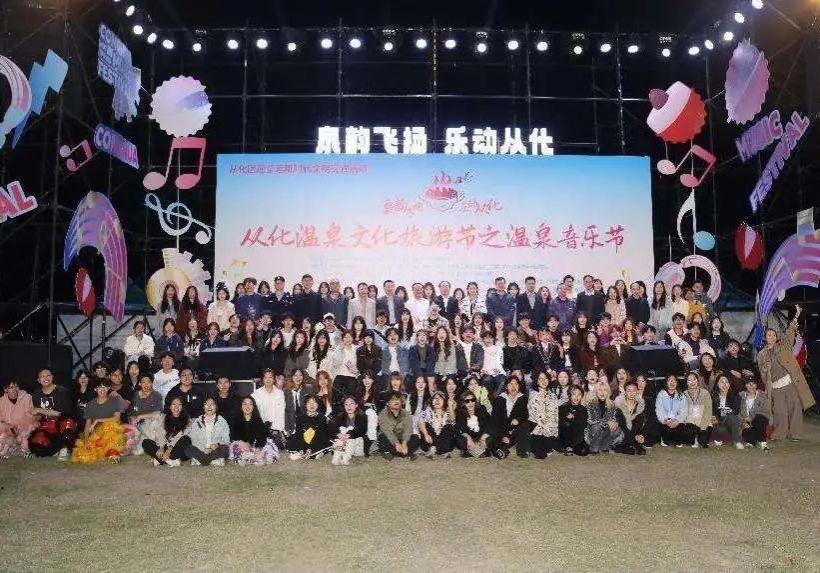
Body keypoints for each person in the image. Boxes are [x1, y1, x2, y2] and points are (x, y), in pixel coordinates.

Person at [756, 307, 815, 440]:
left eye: (773, 335)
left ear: (776, 337)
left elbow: (789, 333)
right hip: (775, 386)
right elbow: (762, 373)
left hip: (789, 383)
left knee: (795, 408)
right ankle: (780, 433)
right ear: (765, 337)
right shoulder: (761, 354)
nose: (771, 337)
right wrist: (765, 374)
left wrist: (796, 316)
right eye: (769, 335)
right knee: (779, 411)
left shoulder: (783, 347)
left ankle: (795, 434)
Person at [71, 379, 132, 463]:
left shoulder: (115, 401)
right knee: (85, 451)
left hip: (113, 432)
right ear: (95, 389)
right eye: (99, 388)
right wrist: (86, 441)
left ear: (108, 388)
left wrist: (97, 420)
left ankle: (113, 454)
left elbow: (116, 418)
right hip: (97, 434)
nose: (102, 390)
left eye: (105, 387)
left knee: (110, 427)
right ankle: (108, 453)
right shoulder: (90, 404)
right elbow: (87, 425)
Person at [29, 369, 76, 460]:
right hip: (46, 426)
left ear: (52, 377)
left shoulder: (62, 391)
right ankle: (55, 450)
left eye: (48, 375)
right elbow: (37, 414)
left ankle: (65, 449)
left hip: (61, 423)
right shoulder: (36, 394)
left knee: (68, 424)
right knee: (37, 442)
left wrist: (39, 410)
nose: (46, 378)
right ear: (38, 380)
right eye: (43, 376)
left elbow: (60, 413)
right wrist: (34, 419)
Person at [142, 397, 191, 466]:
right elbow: (154, 416)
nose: (176, 407)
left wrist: (168, 451)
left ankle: (161, 460)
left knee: (186, 439)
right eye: (174, 404)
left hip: (177, 448)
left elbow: (181, 436)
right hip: (165, 446)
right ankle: (169, 460)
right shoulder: (164, 417)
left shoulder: (187, 420)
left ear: (182, 407)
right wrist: (161, 448)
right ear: (170, 406)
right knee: (146, 442)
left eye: (179, 404)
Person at [229, 396, 278, 465]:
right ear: (240, 406)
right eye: (244, 404)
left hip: (255, 446)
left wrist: (257, 448)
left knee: (269, 446)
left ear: (253, 406)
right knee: (236, 445)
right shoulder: (235, 420)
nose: (247, 407)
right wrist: (247, 445)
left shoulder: (258, 419)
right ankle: (252, 458)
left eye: (250, 404)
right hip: (243, 446)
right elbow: (234, 437)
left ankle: (253, 457)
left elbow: (262, 437)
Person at [185, 397, 230, 466]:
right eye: (207, 404)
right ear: (203, 407)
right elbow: (193, 439)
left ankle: (201, 460)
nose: (209, 406)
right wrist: (203, 449)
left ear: (216, 407)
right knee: (188, 449)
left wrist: (217, 445)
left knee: (225, 449)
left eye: (212, 404)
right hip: (201, 449)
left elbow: (226, 440)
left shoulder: (222, 421)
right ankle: (212, 460)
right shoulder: (197, 421)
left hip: (215, 449)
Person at [491, 376, 529, 459]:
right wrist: (504, 435)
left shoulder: (523, 398)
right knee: (494, 436)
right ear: (506, 387)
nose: (513, 386)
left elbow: (525, 414)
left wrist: (518, 420)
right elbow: (495, 419)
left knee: (525, 425)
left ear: (519, 386)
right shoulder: (500, 399)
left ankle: (521, 450)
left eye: (516, 384)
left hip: (516, 428)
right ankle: (501, 448)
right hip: (502, 428)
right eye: (511, 384)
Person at [128, 374, 164, 455]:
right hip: (139, 424)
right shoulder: (135, 395)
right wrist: (133, 420)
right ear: (139, 383)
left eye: (149, 382)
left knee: (154, 427)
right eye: (143, 382)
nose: (146, 385)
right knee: (137, 452)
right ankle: (155, 445)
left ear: (152, 383)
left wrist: (141, 416)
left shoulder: (156, 395)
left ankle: (161, 449)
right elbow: (131, 412)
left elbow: (158, 413)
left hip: (152, 423)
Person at [655, 375, 695, 447]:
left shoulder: (681, 396)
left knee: (686, 433)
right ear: (666, 383)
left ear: (677, 383)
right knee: (665, 432)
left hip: (677, 421)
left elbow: (684, 411)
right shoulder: (661, 395)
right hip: (665, 422)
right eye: (669, 380)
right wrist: (665, 420)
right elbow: (659, 410)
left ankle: (676, 439)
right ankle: (666, 439)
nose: (672, 382)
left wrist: (677, 420)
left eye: (674, 380)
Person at [527, 372, 560, 458]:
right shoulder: (533, 395)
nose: (544, 381)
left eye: (546, 378)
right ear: (537, 381)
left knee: (554, 446)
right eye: (540, 379)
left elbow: (555, 416)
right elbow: (538, 417)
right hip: (537, 429)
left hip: (551, 429)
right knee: (541, 455)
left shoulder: (553, 395)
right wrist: (547, 430)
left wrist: (552, 431)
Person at [287, 395, 330, 460]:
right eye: (309, 403)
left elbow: (323, 433)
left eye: (314, 402)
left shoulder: (322, 418)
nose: (311, 405)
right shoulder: (300, 418)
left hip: (317, 440)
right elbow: (298, 433)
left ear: (318, 404)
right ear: (305, 405)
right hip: (303, 439)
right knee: (299, 435)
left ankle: (311, 451)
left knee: (319, 435)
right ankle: (302, 450)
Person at [377, 391, 418, 459]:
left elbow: (408, 429)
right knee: (383, 438)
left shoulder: (406, 413)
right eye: (393, 400)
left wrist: (404, 443)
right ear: (388, 403)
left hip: (401, 437)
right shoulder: (383, 414)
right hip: (390, 438)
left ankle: (397, 452)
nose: (396, 401)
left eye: (398, 399)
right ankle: (405, 453)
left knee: (415, 438)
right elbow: (387, 431)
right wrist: (396, 443)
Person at [0, 380, 36, 457]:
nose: (14, 390)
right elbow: (1, 420)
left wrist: (22, 428)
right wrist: (9, 427)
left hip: (25, 430)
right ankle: (13, 449)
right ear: (5, 389)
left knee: (23, 439)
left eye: (16, 386)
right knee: (2, 436)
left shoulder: (27, 398)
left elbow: (31, 417)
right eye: (11, 387)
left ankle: (20, 450)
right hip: (10, 431)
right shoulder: (1, 401)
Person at [584, 382, 622, 454]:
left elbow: (613, 419)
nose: (602, 392)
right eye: (599, 390)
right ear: (596, 392)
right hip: (592, 433)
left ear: (608, 392)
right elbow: (591, 421)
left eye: (605, 390)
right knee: (597, 427)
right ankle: (594, 448)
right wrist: (607, 422)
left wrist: (615, 423)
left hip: (605, 433)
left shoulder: (612, 405)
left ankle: (604, 447)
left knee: (617, 429)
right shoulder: (590, 404)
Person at [329, 396, 368, 465]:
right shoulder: (340, 416)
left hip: (357, 443)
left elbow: (361, 430)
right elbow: (332, 427)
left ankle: (345, 458)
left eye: (351, 404)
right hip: (343, 442)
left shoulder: (362, 416)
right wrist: (339, 434)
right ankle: (337, 457)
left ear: (356, 405)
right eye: (346, 404)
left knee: (348, 434)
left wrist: (348, 435)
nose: (349, 406)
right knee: (341, 433)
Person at [251, 369, 286, 444]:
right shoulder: (256, 394)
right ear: (262, 379)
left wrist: (276, 429)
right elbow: (254, 413)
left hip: (276, 430)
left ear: (274, 379)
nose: (268, 379)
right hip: (261, 428)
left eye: (270, 377)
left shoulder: (280, 394)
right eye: (265, 377)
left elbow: (281, 414)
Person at [417, 391, 455, 458]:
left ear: (444, 401)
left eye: (440, 398)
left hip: (442, 441)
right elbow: (420, 421)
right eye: (435, 398)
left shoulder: (447, 413)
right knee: (425, 424)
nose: (437, 400)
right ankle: (432, 448)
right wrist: (426, 434)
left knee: (449, 426)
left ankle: (441, 451)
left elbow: (452, 419)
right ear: (432, 401)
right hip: (429, 440)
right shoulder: (427, 411)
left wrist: (450, 406)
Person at [614, 381, 648, 455]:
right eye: (629, 390)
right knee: (622, 427)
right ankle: (633, 445)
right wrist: (635, 438)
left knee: (640, 420)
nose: (631, 393)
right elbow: (621, 425)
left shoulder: (640, 406)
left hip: (635, 432)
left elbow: (640, 424)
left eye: (634, 390)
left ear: (637, 392)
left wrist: (640, 435)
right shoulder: (619, 406)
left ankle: (630, 445)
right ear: (625, 392)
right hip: (622, 433)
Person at [455, 390, 492, 457]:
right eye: (467, 401)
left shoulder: (482, 409)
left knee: (491, 439)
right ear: (463, 403)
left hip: (481, 435)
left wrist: (484, 437)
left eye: (473, 400)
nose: (471, 403)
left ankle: (471, 451)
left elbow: (490, 423)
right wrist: (468, 438)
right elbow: (459, 428)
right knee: (460, 441)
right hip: (469, 436)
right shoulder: (460, 412)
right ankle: (480, 451)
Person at [710, 375, 743, 449]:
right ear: (717, 384)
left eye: (726, 382)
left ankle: (737, 441)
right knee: (720, 430)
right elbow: (712, 410)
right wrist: (713, 416)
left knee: (731, 416)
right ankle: (719, 437)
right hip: (719, 421)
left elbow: (736, 411)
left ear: (729, 384)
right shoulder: (713, 395)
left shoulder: (735, 395)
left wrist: (727, 411)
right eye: (722, 382)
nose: (724, 384)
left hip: (732, 420)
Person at [738, 378, 772, 450]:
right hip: (747, 422)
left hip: (759, 420)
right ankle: (753, 440)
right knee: (749, 437)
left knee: (759, 419)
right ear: (745, 385)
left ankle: (763, 442)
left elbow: (766, 411)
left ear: (756, 385)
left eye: (753, 383)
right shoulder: (741, 396)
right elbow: (738, 412)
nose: (751, 386)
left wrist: (751, 417)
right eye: (748, 384)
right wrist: (743, 422)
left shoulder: (762, 396)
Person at [558, 385, 589, 455]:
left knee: (584, 452)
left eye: (579, 395)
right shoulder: (562, 408)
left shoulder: (583, 409)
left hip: (578, 438)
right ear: (569, 395)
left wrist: (574, 418)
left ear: (582, 396)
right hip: (566, 437)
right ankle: (567, 447)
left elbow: (584, 424)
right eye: (574, 394)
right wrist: (567, 418)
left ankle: (574, 446)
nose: (576, 397)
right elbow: (560, 424)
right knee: (567, 424)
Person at [284, 369, 313, 435]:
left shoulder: (308, 388)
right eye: (295, 375)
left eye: (300, 375)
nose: (298, 378)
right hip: (291, 424)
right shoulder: (285, 391)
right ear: (291, 377)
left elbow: (312, 406)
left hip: (306, 423)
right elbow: (285, 412)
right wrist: (287, 428)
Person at [479, 330, 505, 395]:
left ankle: (497, 398)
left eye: (491, 338)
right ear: (483, 340)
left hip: (498, 371)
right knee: (487, 380)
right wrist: (482, 371)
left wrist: (497, 369)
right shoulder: (481, 349)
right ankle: (489, 399)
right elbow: (480, 363)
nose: (489, 340)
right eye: (486, 338)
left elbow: (500, 361)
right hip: (486, 372)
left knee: (502, 381)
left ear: (493, 339)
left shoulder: (498, 348)